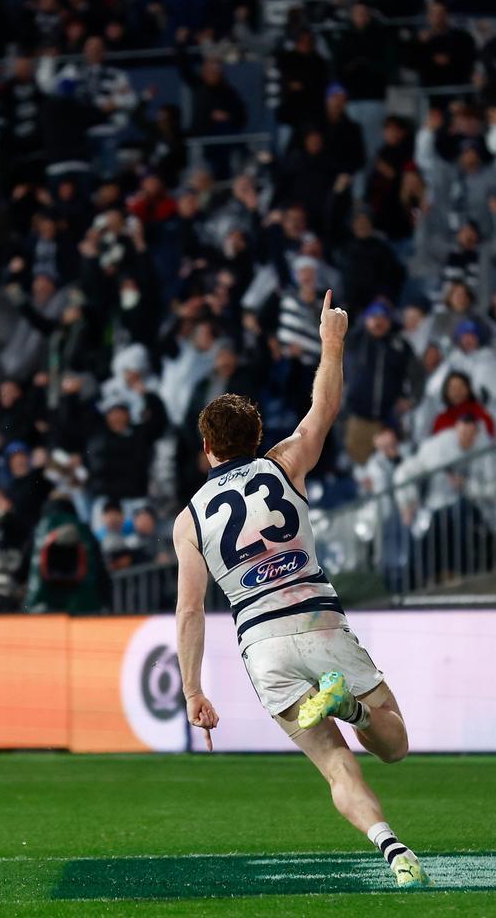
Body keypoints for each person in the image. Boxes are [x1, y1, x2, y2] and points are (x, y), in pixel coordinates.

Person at [173, 290, 431, 890]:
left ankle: (393, 852)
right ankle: (353, 705)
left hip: (261, 646)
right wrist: (332, 340)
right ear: (256, 437)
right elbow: (325, 407)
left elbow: (190, 611)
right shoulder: (282, 463)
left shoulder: (188, 518)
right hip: (317, 621)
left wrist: (193, 690)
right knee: (392, 742)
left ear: (207, 448)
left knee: (336, 764)